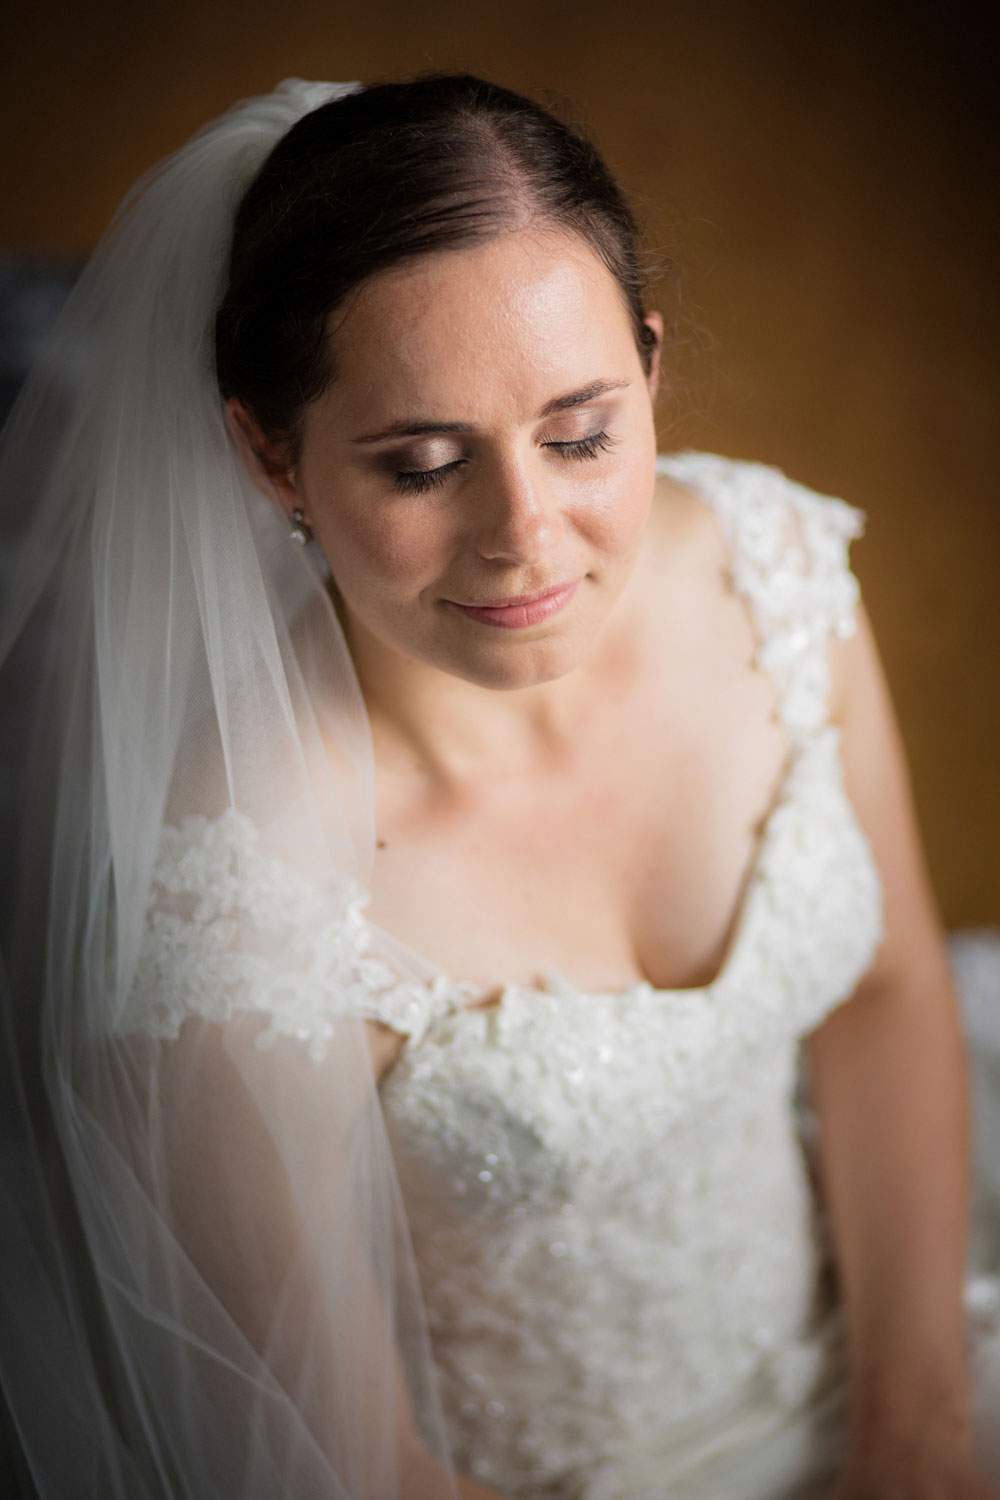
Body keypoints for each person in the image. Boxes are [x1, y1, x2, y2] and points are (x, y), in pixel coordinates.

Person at [0, 73, 998, 1500]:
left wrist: (915, 1426)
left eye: (583, 434)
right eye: (420, 463)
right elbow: (361, 1466)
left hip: (901, 1358)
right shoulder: (240, 912)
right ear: (268, 452)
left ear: (648, 367)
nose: (526, 537)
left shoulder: (770, 571)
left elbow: (890, 995)